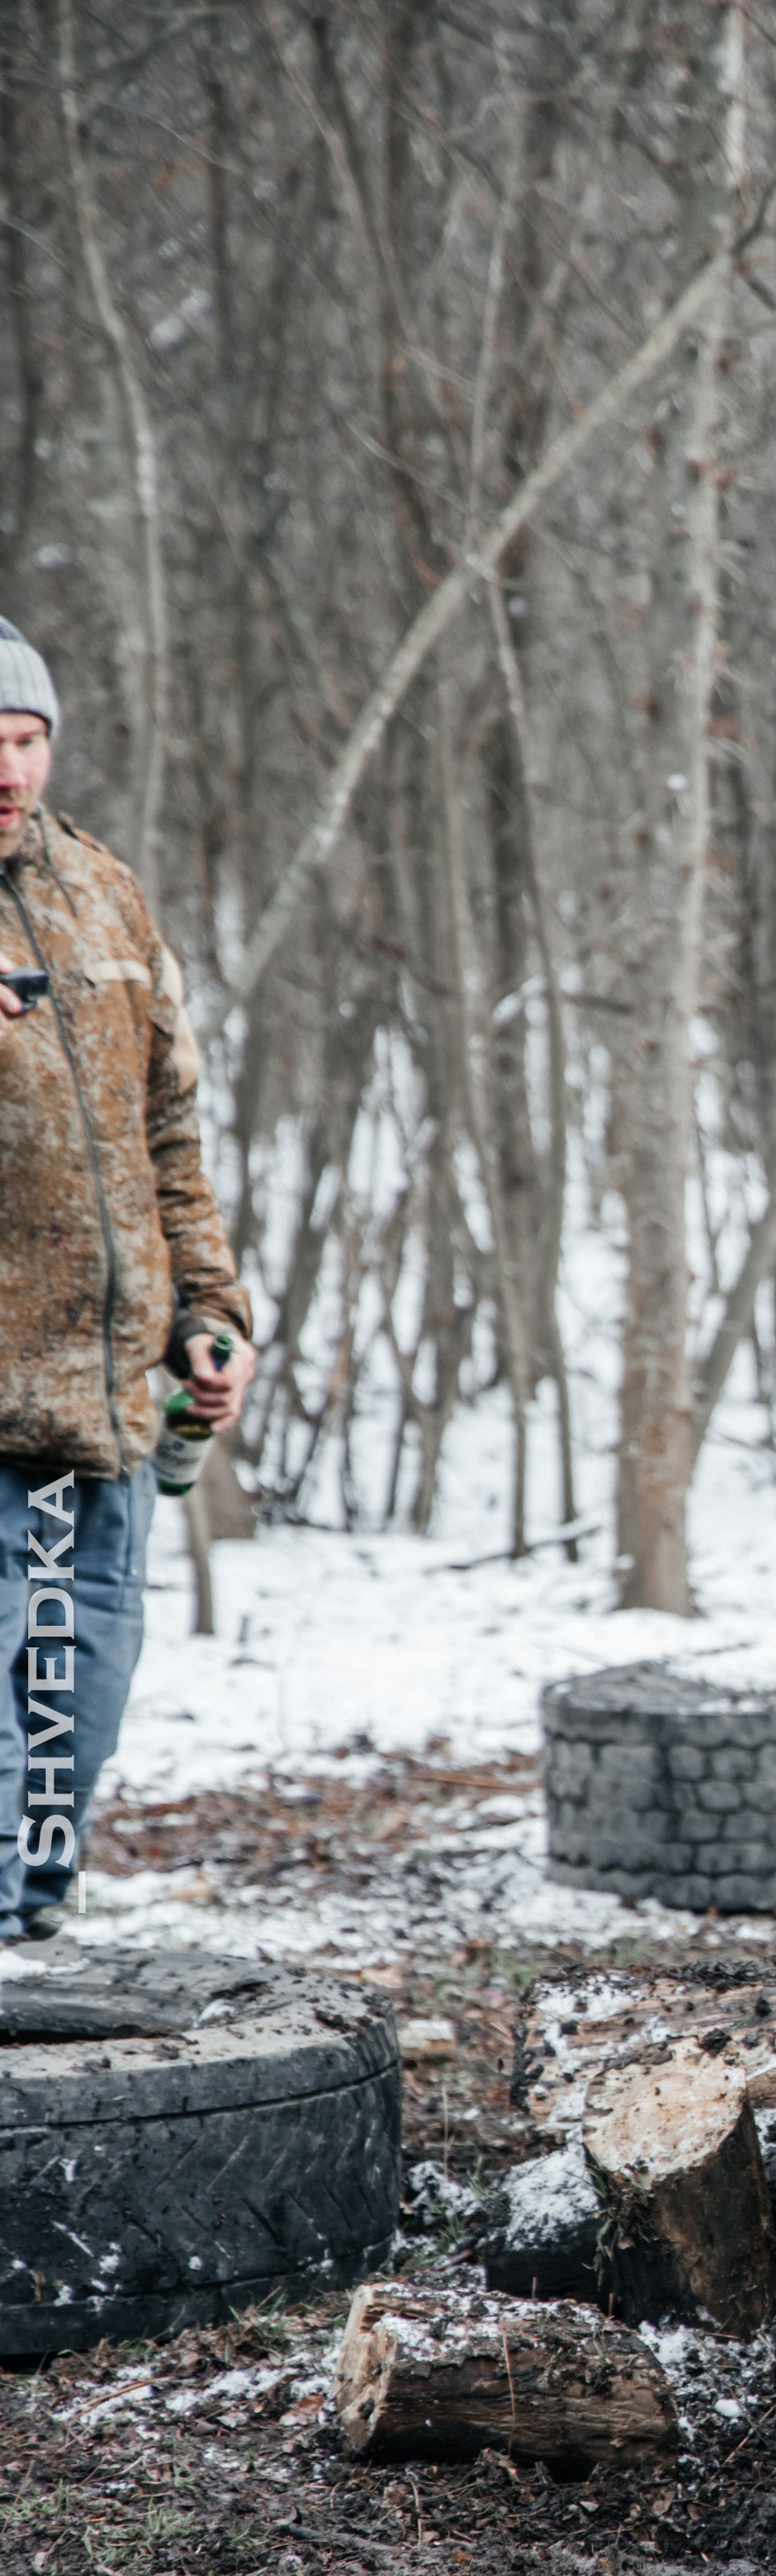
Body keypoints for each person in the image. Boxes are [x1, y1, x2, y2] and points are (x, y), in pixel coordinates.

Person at [0, 616, 254, 1939]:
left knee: (76, 1703)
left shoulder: (102, 891)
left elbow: (168, 1130)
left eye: (27, 738)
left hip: (104, 1406)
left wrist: (209, 1312)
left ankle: (31, 1925)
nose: (8, 767)